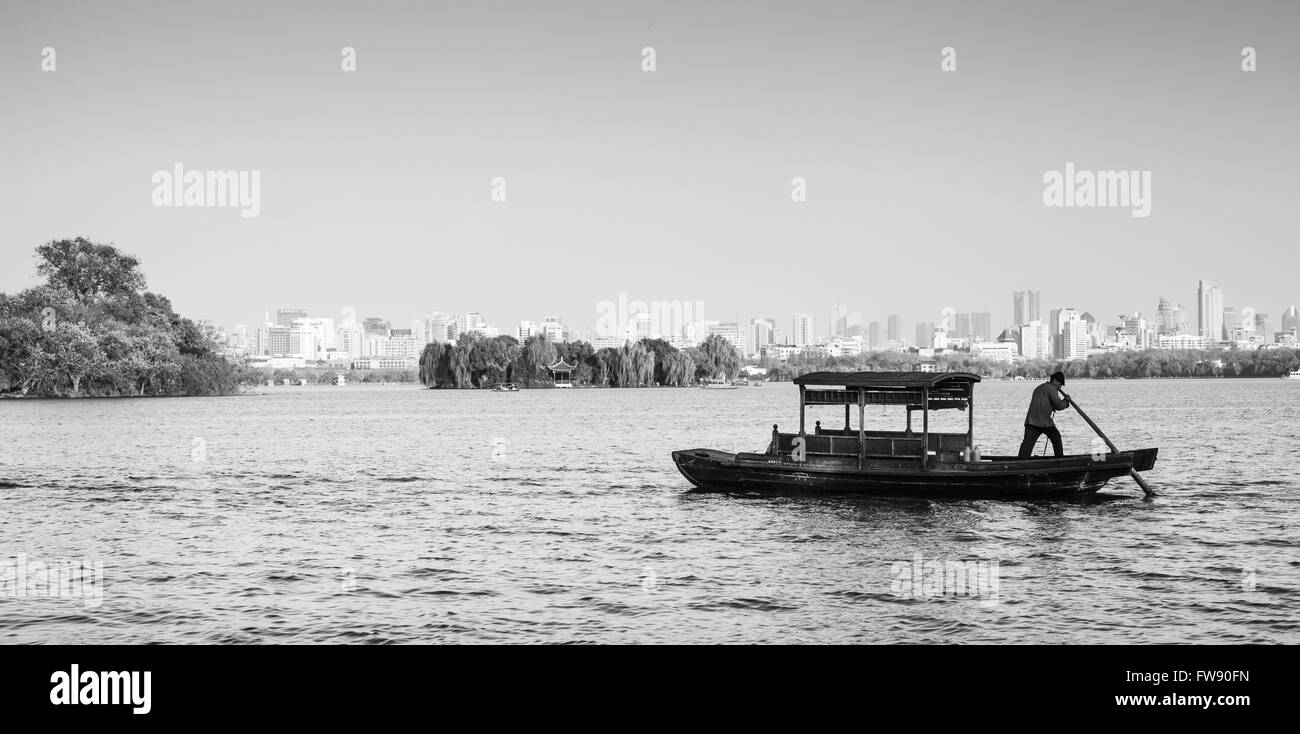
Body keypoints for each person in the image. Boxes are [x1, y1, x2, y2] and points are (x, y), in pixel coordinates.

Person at [1017, 371, 1070, 458]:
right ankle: (1060, 460)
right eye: (1060, 384)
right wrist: (1066, 401)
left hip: (1031, 420)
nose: (1060, 387)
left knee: (1027, 444)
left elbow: (1046, 403)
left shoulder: (1039, 388)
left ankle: (1020, 463)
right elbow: (1058, 405)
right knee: (1056, 438)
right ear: (1055, 381)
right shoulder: (1052, 389)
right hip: (1043, 421)